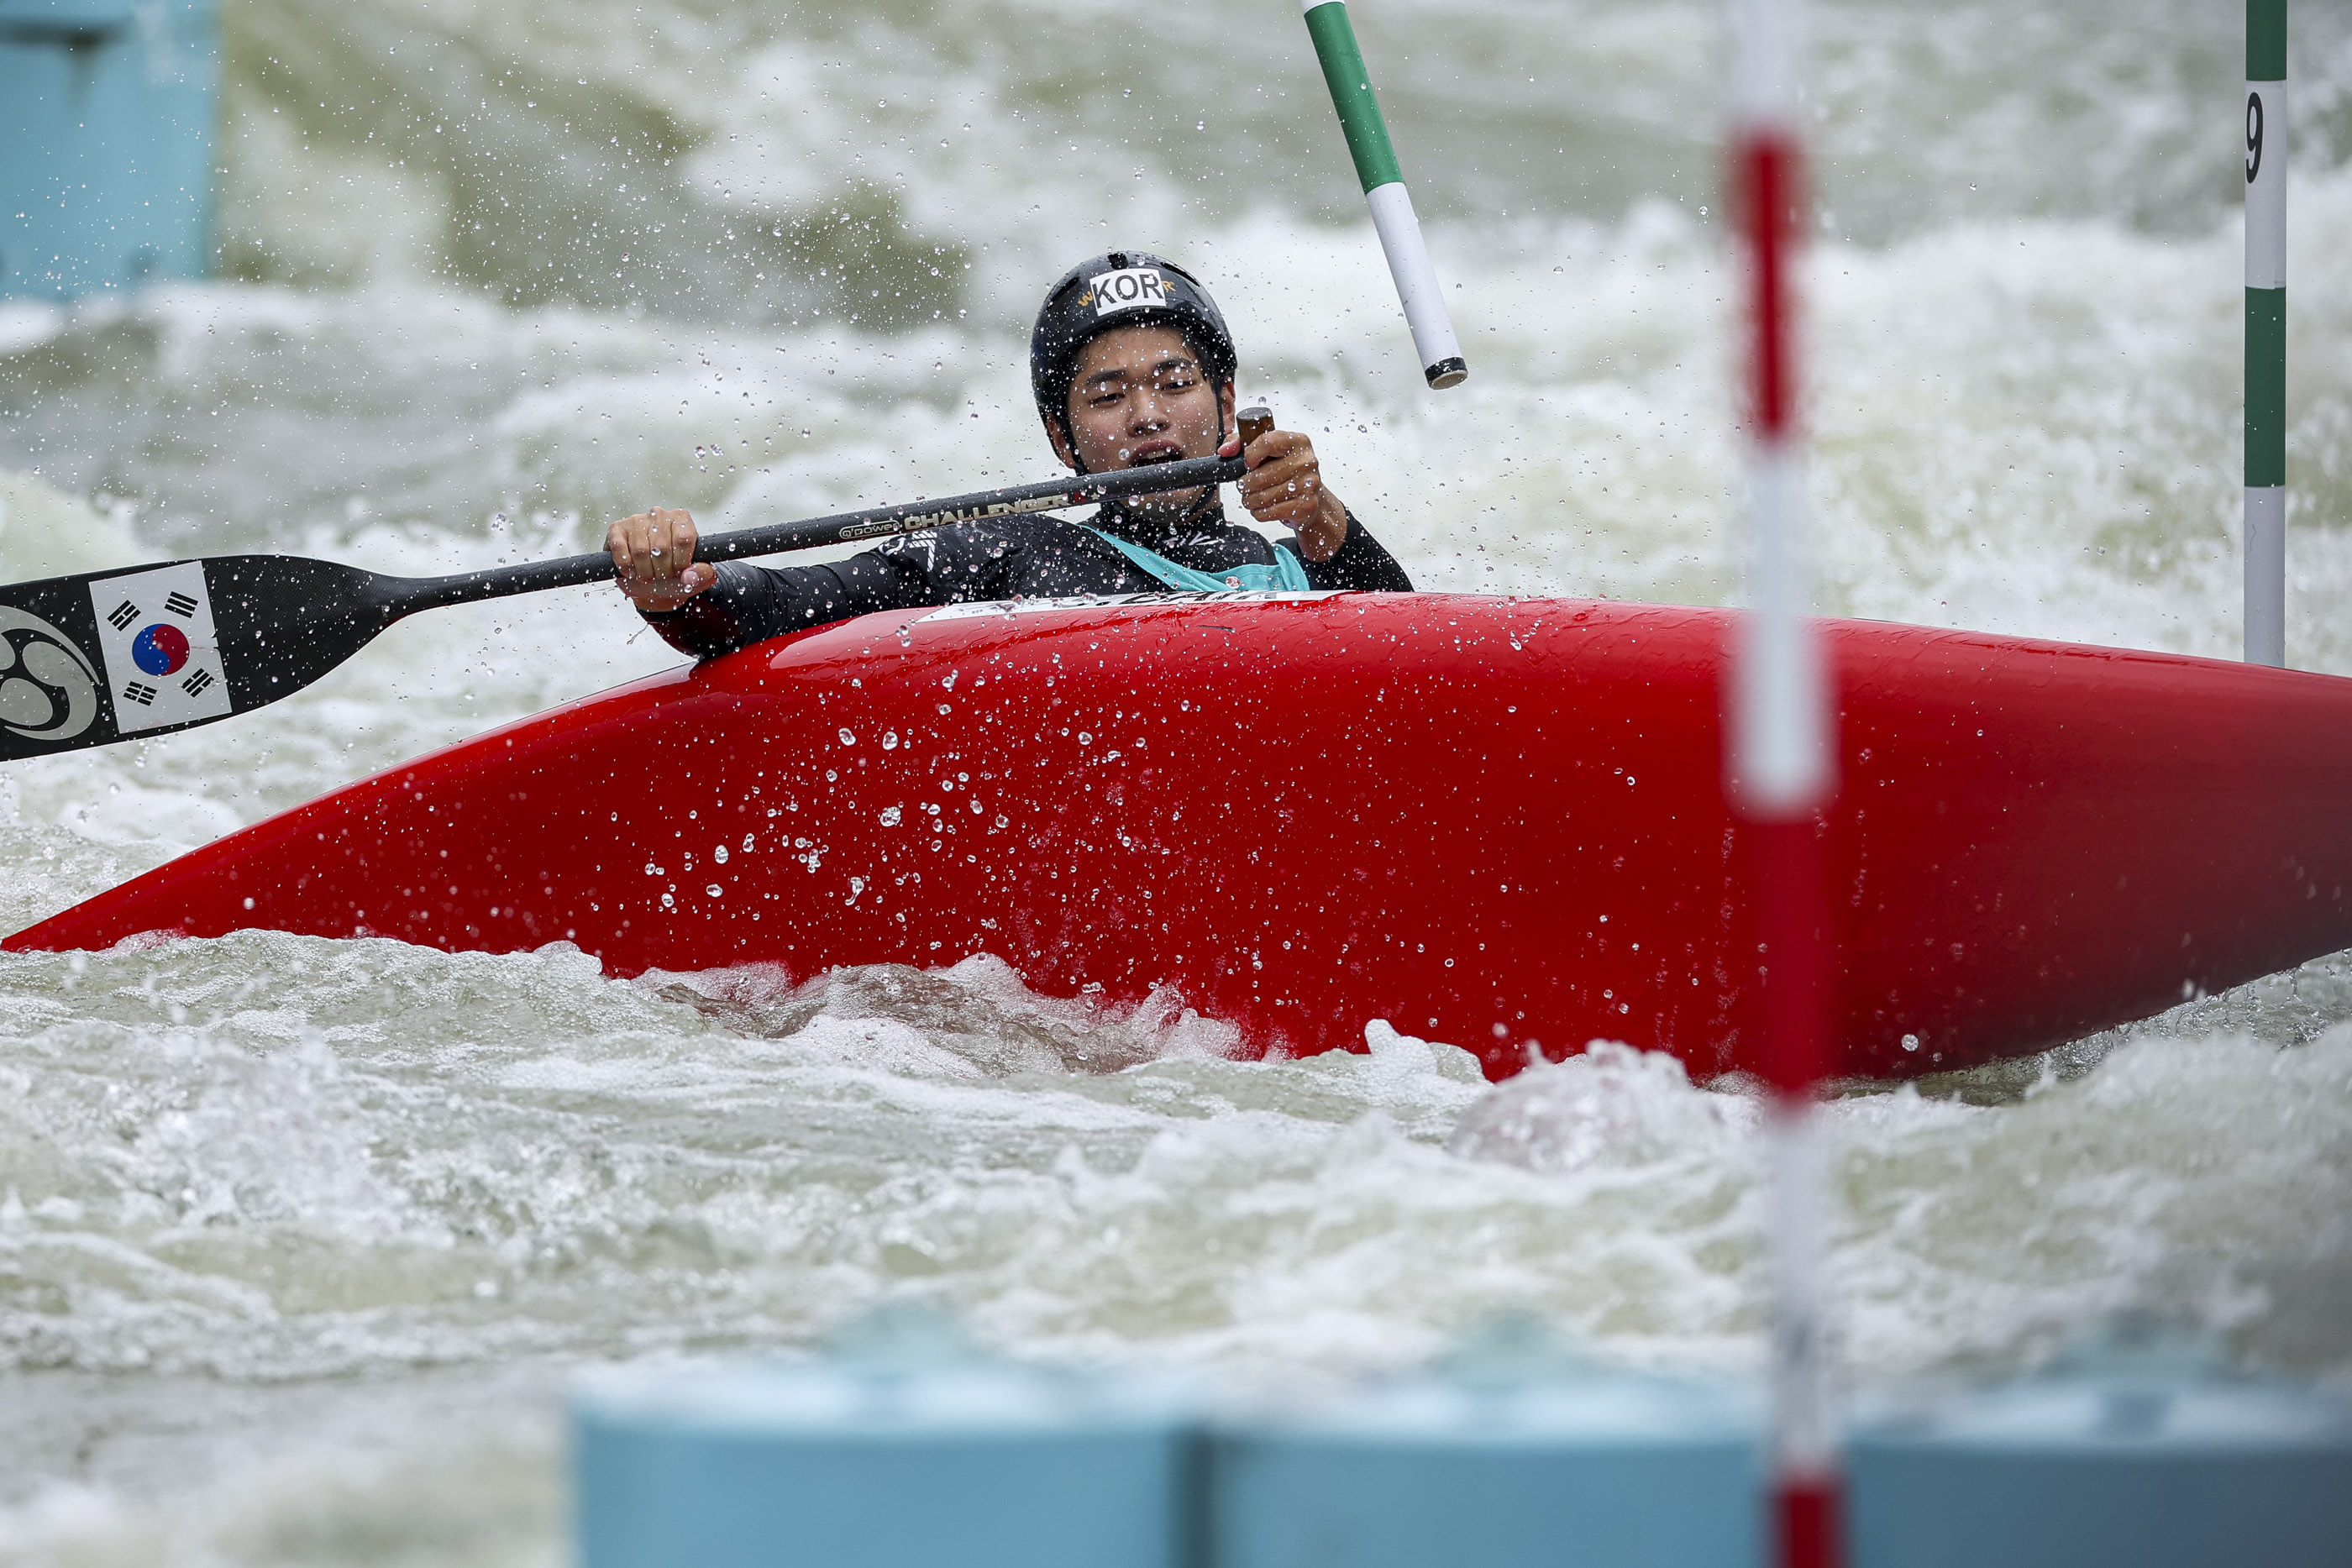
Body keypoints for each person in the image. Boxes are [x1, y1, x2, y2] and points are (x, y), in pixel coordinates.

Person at [606, 251, 1413, 656]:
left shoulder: (1297, 567)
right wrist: (681, 587)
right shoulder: (1007, 553)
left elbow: (1414, 658)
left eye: (1175, 383)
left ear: (1227, 407)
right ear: (1062, 440)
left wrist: (1322, 518)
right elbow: (804, 605)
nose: (1145, 416)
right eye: (1106, 397)